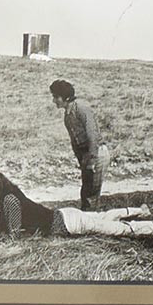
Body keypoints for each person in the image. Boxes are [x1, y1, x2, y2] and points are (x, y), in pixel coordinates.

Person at [0, 171, 153, 250]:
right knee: (102, 218)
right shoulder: (10, 197)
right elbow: (7, 227)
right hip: (66, 215)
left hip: (69, 224)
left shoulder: (9, 201)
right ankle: (137, 209)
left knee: (123, 231)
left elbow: (12, 237)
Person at [49, 79, 110, 209]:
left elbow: (93, 135)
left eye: (56, 97)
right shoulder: (67, 116)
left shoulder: (81, 109)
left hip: (97, 153)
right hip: (86, 155)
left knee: (91, 196)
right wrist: (82, 161)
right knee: (86, 193)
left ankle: (93, 220)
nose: (54, 101)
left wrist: (92, 160)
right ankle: (88, 217)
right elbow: (75, 142)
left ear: (66, 97)